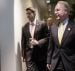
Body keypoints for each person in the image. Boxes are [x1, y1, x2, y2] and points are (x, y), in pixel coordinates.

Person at [47, 1, 75, 71]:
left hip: (70, 64)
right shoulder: (53, 27)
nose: (55, 12)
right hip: (55, 64)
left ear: (66, 11)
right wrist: (48, 61)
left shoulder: (74, 27)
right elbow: (51, 47)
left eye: (57, 10)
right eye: (55, 10)